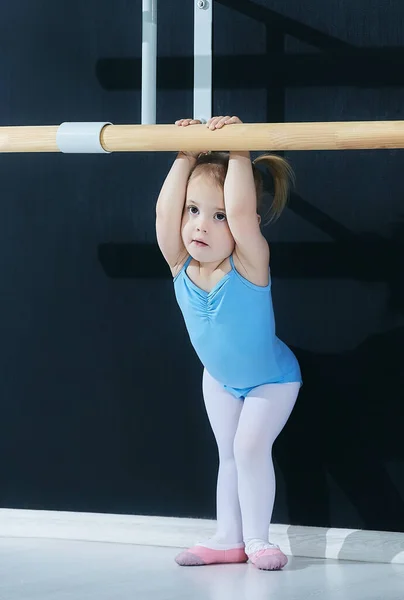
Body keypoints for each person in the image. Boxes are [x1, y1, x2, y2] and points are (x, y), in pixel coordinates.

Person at [155, 115, 302, 571]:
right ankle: (228, 538)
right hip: (218, 379)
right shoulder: (179, 261)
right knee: (228, 455)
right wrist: (185, 153)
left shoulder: (249, 262)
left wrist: (239, 148)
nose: (201, 225)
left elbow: (240, 213)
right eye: (194, 210)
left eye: (218, 216)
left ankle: (258, 538)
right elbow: (165, 211)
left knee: (248, 449)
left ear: (244, 225)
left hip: (271, 380)